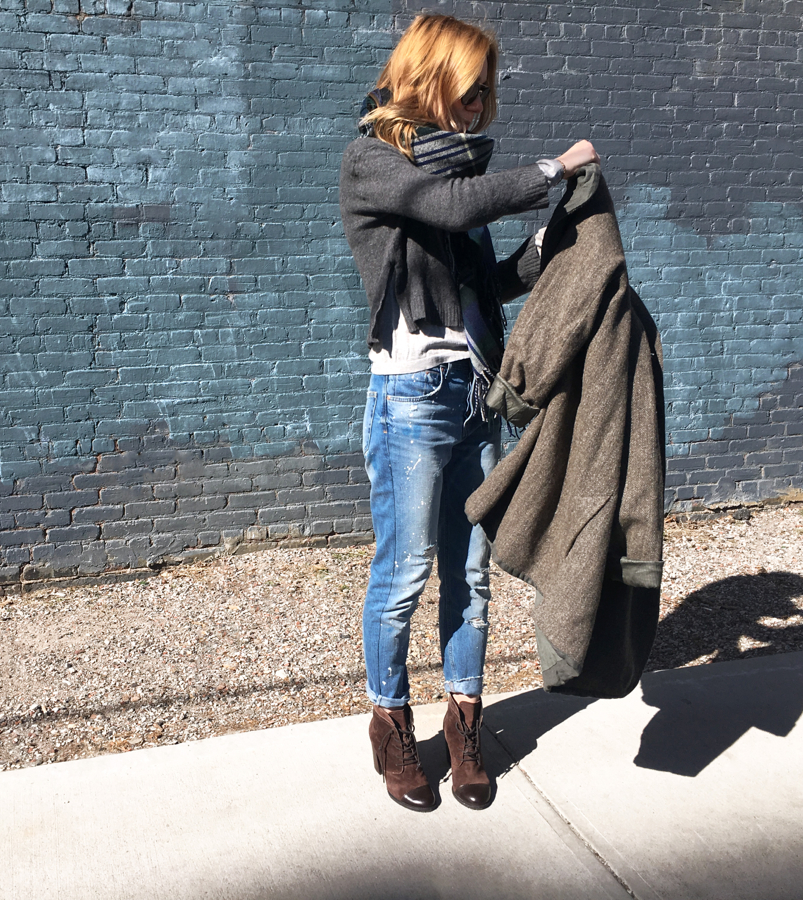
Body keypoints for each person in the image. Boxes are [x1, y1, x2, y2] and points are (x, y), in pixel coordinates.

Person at [338, 13, 601, 812]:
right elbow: (450, 210)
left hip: (476, 393)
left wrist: (550, 247)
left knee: (473, 573)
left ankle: (465, 725)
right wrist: (553, 169)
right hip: (411, 397)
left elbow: (489, 287)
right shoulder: (373, 162)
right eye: (473, 86)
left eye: (487, 90)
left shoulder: (457, 182)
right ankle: (390, 727)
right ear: (433, 75)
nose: (482, 102)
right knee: (406, 572)